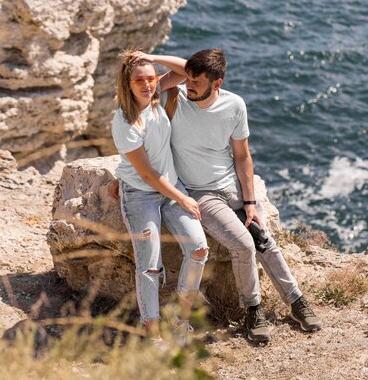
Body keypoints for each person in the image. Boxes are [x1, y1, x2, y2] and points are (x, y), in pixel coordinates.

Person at [114, 48, 322, 343]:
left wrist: (249, 202)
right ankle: (253, 310)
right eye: (188, 81)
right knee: (244, 245)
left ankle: (296, 300)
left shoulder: (234, 105)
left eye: (197, 83)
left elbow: (243, 157)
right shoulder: (175, 98)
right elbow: (143, 152)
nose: (189, 86)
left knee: (263, 239)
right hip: (198, 192)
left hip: (231, 188)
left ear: (218, 82)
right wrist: (122, 174)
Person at [111, 49, 208, 341]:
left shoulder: (156, 96)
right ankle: (152, 333)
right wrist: (182, 198)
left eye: (151, 78)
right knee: (150, 265)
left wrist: (152, 55)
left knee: (199, 249)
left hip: (170, 189)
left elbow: (188, 70)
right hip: (141, 195)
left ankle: (180, 317)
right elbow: (148, 175)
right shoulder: (125, 121)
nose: (147, 84)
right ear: (127, 83)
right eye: (139, 80)